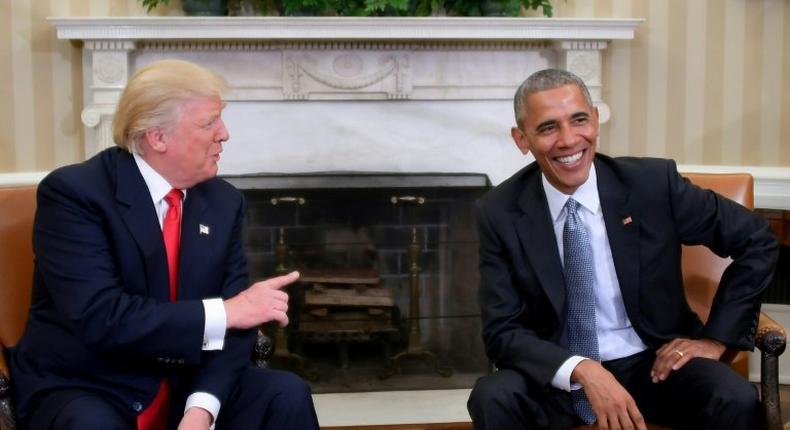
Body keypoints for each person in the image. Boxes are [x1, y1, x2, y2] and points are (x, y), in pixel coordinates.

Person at [10, 59, 320, 430]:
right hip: (90, 383)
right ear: (157, 137)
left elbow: (239, 327)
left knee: (285, 394)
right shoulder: (76, 194)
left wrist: (201, 410)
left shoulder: (223, 202)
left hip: (183, 380)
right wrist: (225, 312)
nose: (224, 134)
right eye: (209, 123)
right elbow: (102, 317)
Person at [466, 69, 779, 430]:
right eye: (548, 128)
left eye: (579, 120)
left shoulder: (652, 185)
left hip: (656, 365)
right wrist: (583, 369)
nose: (568, 140)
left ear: (596, 121)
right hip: (559, 374)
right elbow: (502, 330)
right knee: (492, 396)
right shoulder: (499, 212)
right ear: (522, 139)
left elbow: (757, 238)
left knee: (734, 398)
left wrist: (716, 340)